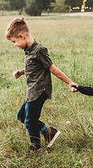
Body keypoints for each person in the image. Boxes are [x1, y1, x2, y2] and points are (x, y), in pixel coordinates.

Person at [6, 18, 75, 151]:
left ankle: (36, 146)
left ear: (22, 36)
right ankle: (48, 132)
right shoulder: (29, 50)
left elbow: (52, 68)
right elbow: (34, 67)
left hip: (39, 91)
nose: (14, 45)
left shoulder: (39, 50)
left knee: (30, 121)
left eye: (14, 42)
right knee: (21, 116)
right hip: (32, 91)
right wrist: (21, 72)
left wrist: (70, 82)